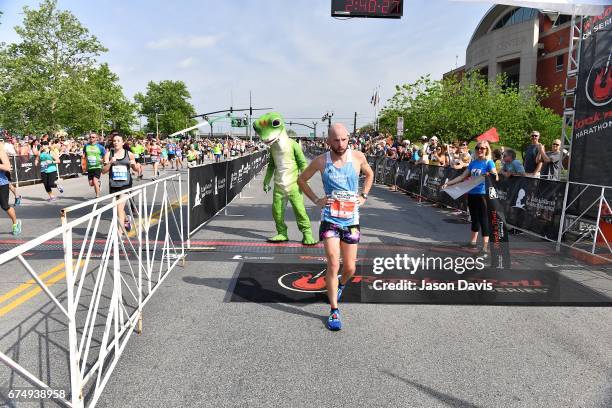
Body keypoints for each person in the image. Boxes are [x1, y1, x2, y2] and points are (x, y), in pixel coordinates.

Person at [297, 123, 374, 331]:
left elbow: (369, 174)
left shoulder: (358, 157)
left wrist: (364, 196)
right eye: (336, 140)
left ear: (348, 138)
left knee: (350, 267)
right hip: (330, 217)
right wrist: (316, 199)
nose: (340, 144)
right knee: (333, 263)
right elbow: (301, 180)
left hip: (351, 219)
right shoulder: (321, 161)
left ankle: (340, 285)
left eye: (344, 139)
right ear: (328, 141)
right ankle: (334, 310)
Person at [443, 141, 498, 256]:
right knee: (474, 218)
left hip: (483, 195)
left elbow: (495, 176)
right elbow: (462, 176)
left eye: (483, 148)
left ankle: (485, 247)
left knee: (483, 220)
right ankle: (472, 242)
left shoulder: (489, 162)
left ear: (487, 150)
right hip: (472, 193)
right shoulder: (473, 163)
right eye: (478, 148)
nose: (480, 150)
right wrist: (449, 184)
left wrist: (491, 174)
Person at [102, 134, 140, 232]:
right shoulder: (108, 154)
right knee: (118, 208)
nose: (116, 142)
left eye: (118, 140)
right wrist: (110, 162)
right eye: (114, 141)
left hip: (126, 184)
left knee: (119, 207)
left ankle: (120, 232)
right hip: (114, 184)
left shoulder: (129, 154)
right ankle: (127, 219)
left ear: (123, 143)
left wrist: (135, 165)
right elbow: (103, 171)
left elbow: (135, 169)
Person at [0, 141, 21, 235]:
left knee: (5, 206)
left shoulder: (0, 150)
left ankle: (16, 223)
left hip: (1, 183)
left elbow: (8, 167)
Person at [82, 132, 106, 198]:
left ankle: (97, 196)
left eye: (93, 137)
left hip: (97, 166)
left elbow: (105, 156)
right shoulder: (86, 146)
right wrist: (84, 165)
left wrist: (103, 160)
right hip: (90, 167)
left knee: (95, 180)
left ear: (96, 138)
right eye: (90, 137)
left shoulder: (100, 147)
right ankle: (98, 184)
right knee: (91, 183)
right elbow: (84, 155)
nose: (91, 138)